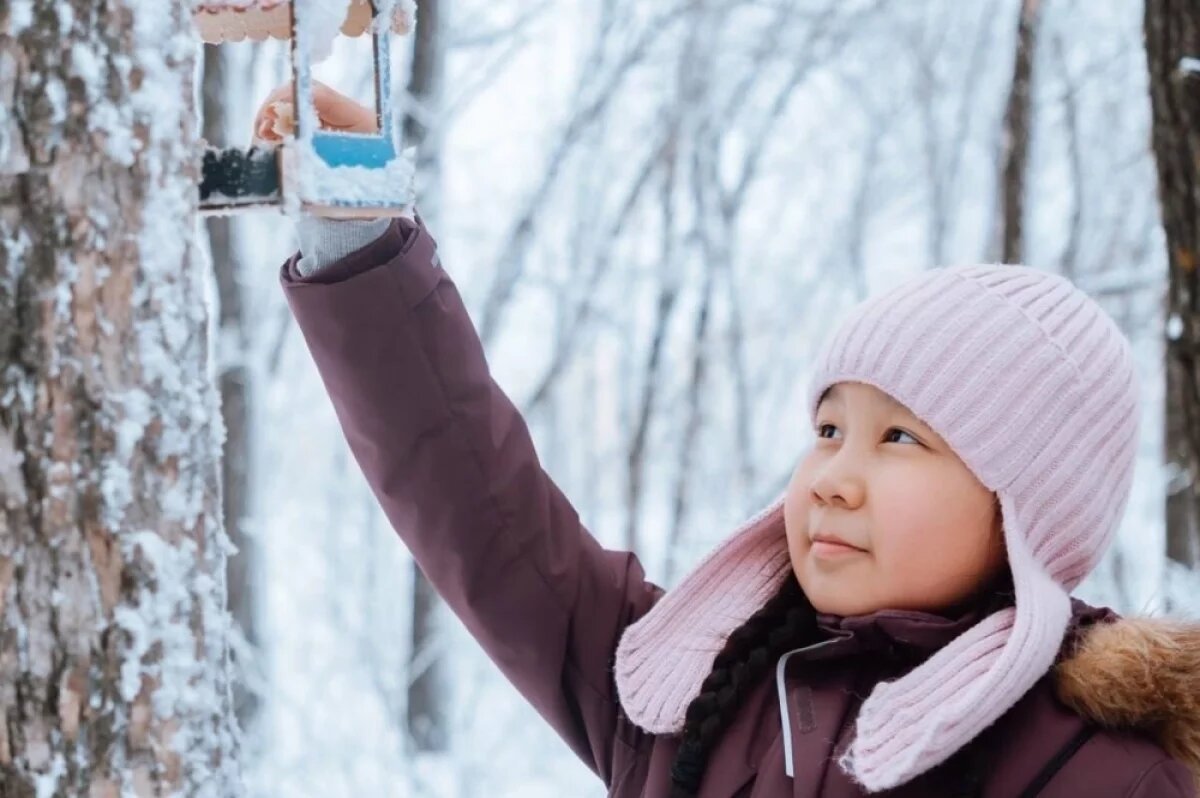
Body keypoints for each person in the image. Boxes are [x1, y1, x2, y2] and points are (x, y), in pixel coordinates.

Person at [257, 83, 1200, 797]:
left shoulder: (1105, 768)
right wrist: (357, 236)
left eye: (901, 439)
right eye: (828, 429)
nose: (833, 476)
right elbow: (476, 506)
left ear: (1025, 508)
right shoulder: (677, 685)